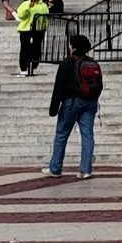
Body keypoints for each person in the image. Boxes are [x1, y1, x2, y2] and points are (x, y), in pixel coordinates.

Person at [46, 33, 103, 179]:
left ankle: (56, 168)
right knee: (87, 135)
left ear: (73, 47)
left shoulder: (67, 63)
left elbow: (58, 87)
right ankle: (86, 169)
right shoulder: (92, 63)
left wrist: (53, 108)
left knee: (61, 134)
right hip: (90, 102)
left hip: (71, 102)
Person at [15, 0, 50, 75]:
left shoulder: (43, 5)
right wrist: (28, 6)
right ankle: (23, 68)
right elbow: (21, 16)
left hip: (38, 30)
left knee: (36, 49)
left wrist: (44, 27)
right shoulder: (25, 4)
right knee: (25, 49)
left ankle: (34, 66)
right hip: (26, 30)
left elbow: (46, 17)